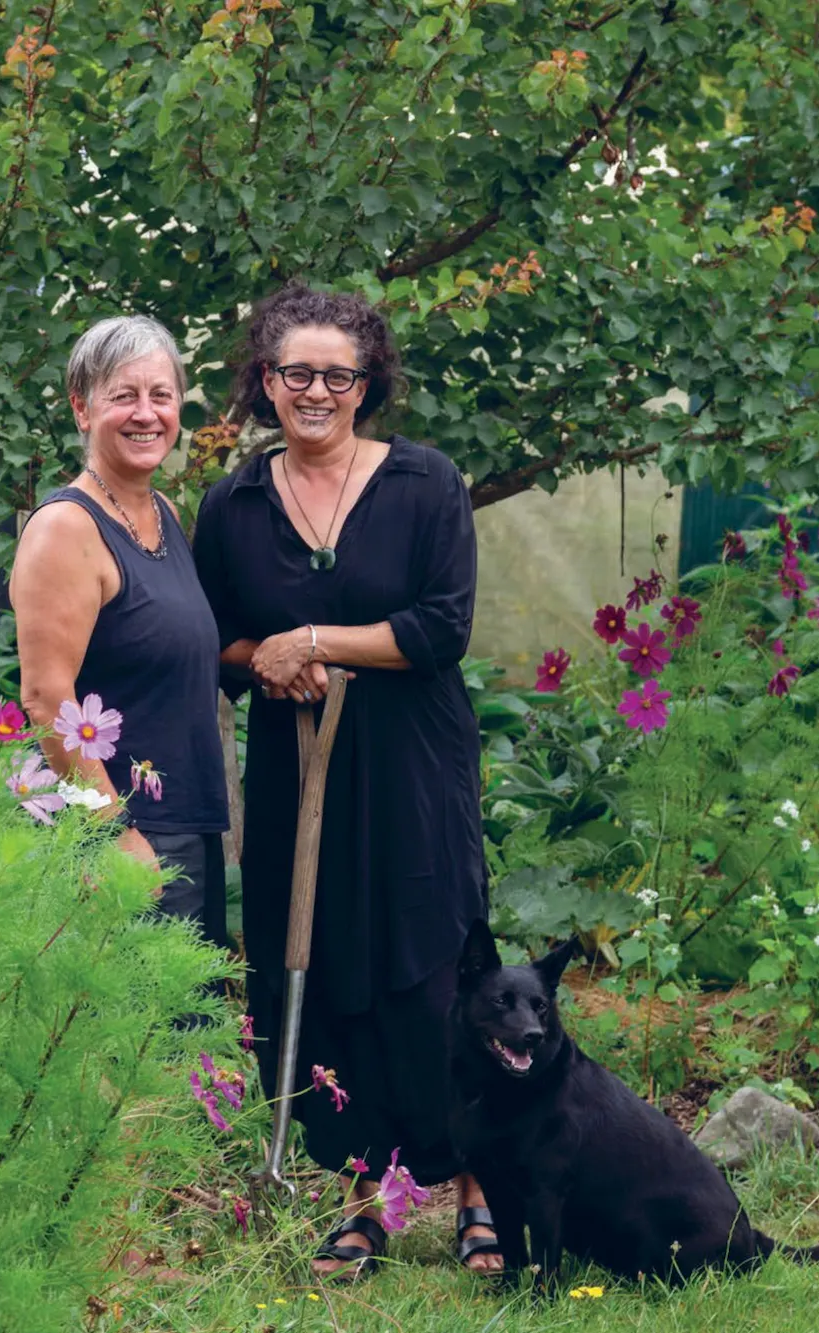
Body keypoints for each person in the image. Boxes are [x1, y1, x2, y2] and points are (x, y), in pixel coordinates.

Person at [192, 284, 502, 1277]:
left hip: (412, 769)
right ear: (265, 381)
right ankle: (360, 1199)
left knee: (432, 968)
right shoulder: (233, 503)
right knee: (318, 972)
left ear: (367, 383)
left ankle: (474, 1190)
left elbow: (438, 629)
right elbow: (219, 642)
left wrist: (314, 638)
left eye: (337, 374)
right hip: (296, 773)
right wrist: (265, 659)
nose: (315, 390)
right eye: (295, 372)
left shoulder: (423, 484)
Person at [10, 315, 229, 943]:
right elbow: (46, 696)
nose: (146, 413)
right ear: (82, 408)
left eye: (161, 395)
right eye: (123, 396)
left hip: (182, 822)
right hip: (125, 837)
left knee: (189, 1037)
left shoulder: (158, 510)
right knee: (134, 1038)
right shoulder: (67, 528)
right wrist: (111, 833)